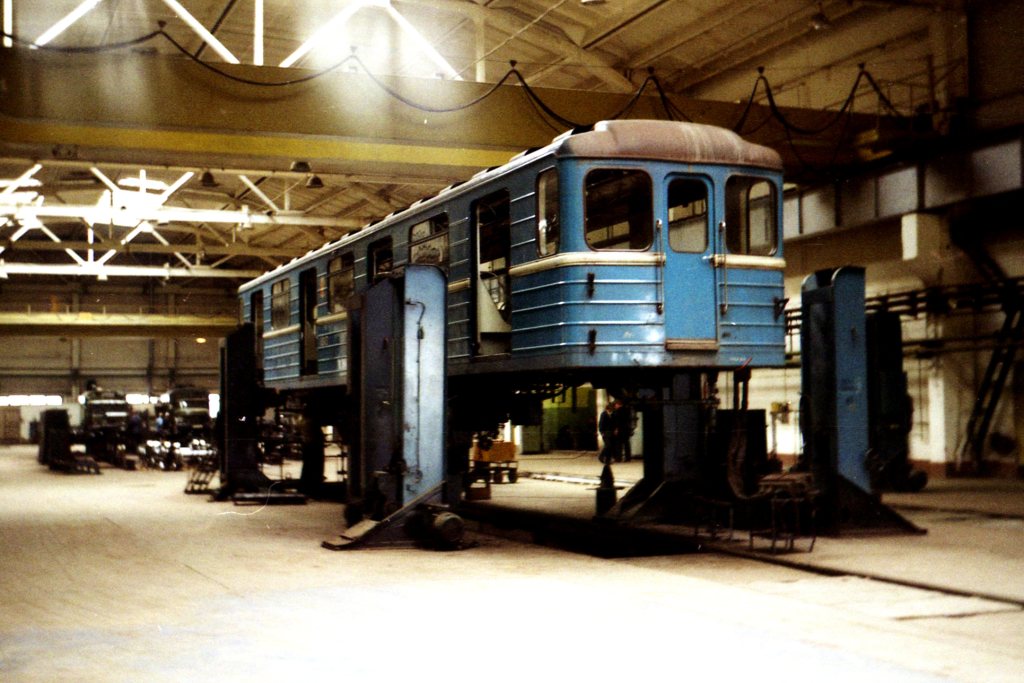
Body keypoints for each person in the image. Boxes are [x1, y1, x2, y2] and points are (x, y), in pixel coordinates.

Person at [598, 400, 620, 464]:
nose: (611, 411)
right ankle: (601, 456)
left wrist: (616, 429)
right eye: (610, 410)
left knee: (611, 446)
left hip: (612, 432)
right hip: (605, 432)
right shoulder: (604, 414)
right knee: (608, 446)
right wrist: (601, 431)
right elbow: (601, 423)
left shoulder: (613, 414)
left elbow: (616, 422)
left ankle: (607, 460)